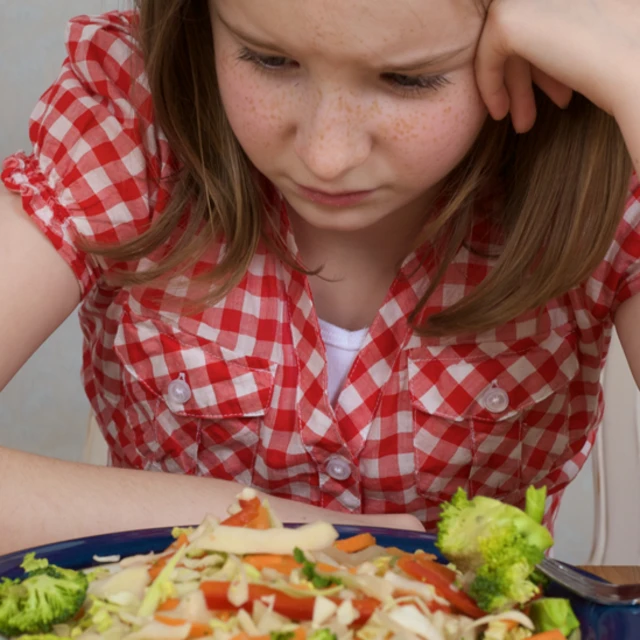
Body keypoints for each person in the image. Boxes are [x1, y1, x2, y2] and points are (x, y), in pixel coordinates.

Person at [1, 0, 639, 557]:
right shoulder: (132, 117)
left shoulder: (609, 153)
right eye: (268, 60)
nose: (326, 156)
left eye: (408, 78)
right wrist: (318, 536)